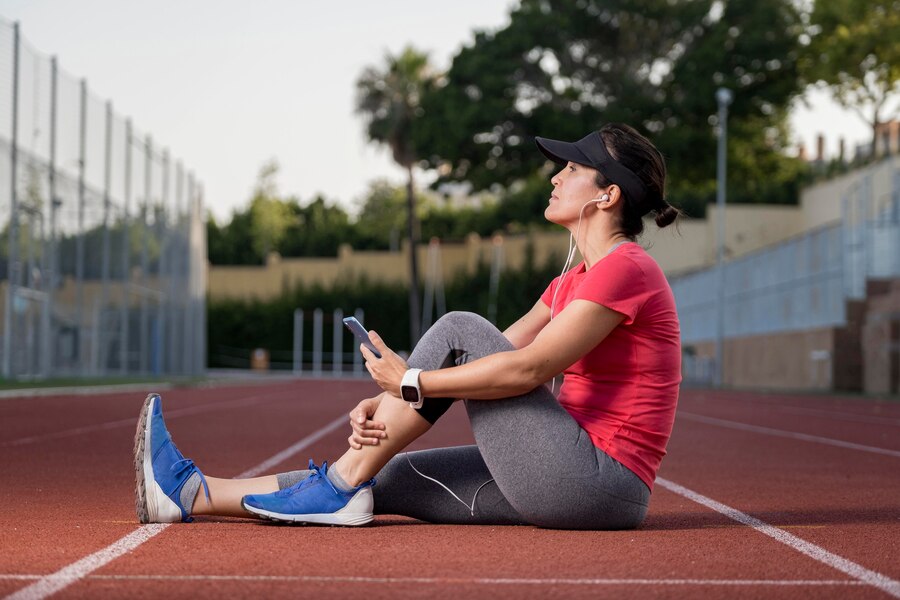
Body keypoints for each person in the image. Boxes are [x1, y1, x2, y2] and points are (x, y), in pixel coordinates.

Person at [134, 123, 681, 530]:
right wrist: (392, 403)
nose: (556, 176)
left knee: (459, 327)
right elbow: (503, 351)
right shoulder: (574, 279)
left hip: (596, 482)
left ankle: (338, 488)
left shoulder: (627, 268)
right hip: (563, 474)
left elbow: (526, 368)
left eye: (573, 169)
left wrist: (411, 384)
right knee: (381, 477)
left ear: (607, 195)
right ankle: (190, 492)